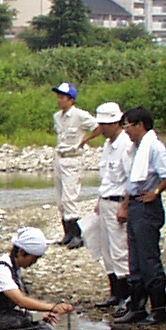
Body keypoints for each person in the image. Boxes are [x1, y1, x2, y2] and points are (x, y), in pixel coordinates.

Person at [116, 106, 166, 324]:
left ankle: (159, 310)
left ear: (140, 125)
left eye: (128, 127)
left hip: (147, 208)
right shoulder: (137, 148)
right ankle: (137, 307)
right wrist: (125, 205)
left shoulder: (154, 147)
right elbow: (131, 180)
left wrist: (157, 192)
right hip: (135, 205)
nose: (126, 132)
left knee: (148, 259)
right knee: (134, 260)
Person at [91, 101, 134, 310]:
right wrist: (99, 201)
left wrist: (125, 206)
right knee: (106, 249)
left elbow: (130, 179)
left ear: (116, 122)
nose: (101, 129)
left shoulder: (126, 145)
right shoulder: (107, 145)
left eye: (104, 124)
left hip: (118, 203)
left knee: (119, 250)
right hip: (106, 201)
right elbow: (107, 178)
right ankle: (115, 293)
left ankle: (126, 296)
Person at [51, 81, 98, 249]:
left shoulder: (80, 115)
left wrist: (85, 140)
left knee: (69, 197)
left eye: (63, 97)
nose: (59, 100)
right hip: (60, 157)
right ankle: (67, 233)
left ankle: (77, 235)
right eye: (59, 97)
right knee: (60, 197)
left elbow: (98, 126)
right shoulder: (57, 116)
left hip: (73, 158)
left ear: (71, 99)